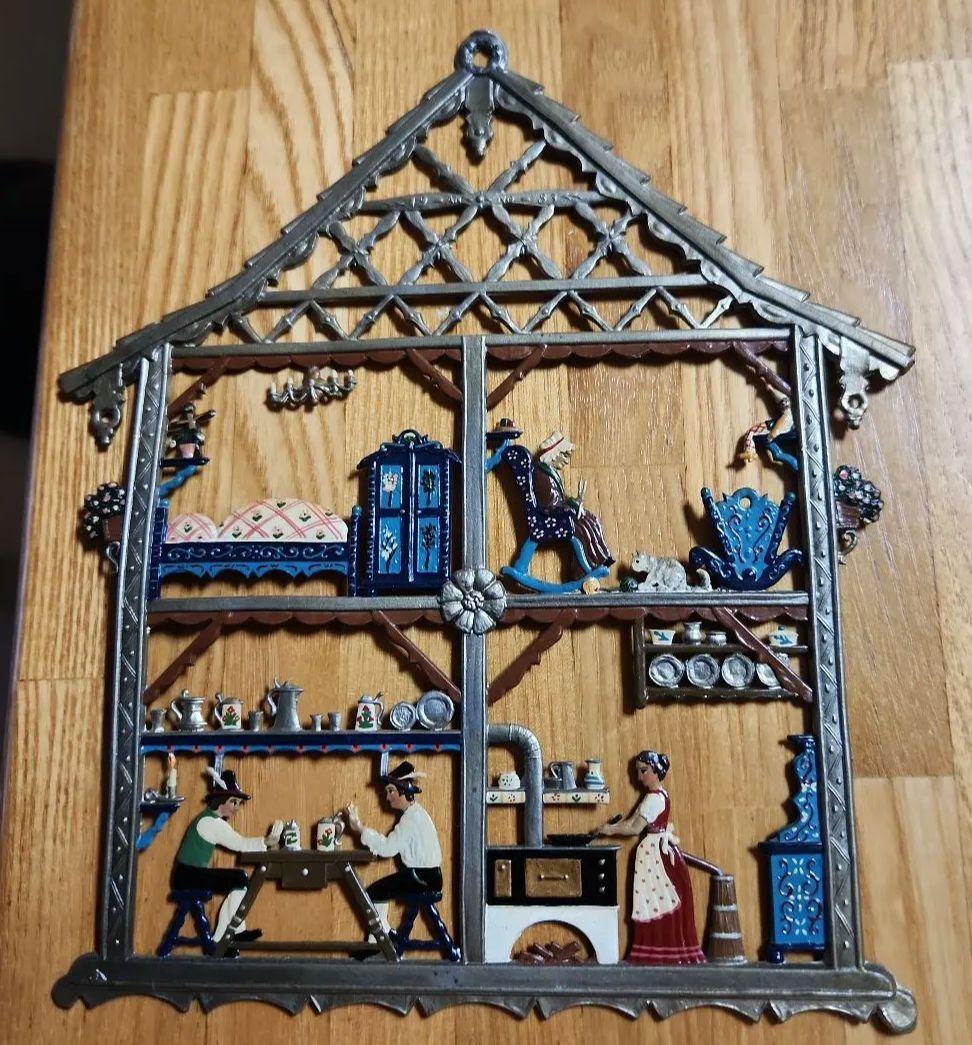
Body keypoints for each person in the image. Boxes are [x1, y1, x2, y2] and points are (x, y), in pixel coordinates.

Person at [598, 750, 705, 965]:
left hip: (657, 855)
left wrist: (610, 830)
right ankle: (656, 950)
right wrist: (613, 827)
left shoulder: (655, 799)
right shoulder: (654, 795)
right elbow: (630, 822)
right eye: (638, 772)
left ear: (656, 771)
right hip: (654, 852)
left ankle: (664, 951)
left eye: (643, 771)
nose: (639, 777)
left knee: (658, 901)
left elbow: (634, 828)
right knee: (654, 901)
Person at [171, 768, 282, 951]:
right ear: (221, 800)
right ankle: (232, 934)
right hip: (187, 875)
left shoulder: (210, 820)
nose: (237, 807)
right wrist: (265, 842)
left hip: (188, 874)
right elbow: (239, 843)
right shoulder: (211, 822)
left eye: (239, 803)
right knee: (239, 879)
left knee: (239, 880)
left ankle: (223, 938)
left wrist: (265, 843)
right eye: (233, 802)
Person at [345, 761, 442, 940]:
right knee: (377, 891)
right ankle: (385, 934)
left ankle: (379, 940)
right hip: (429, 876)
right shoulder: (417, 814)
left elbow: (388, 848)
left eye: (391, 791)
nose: (388, 797)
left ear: (404, 791)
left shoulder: (410, 820)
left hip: (421, 878)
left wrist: (360, 829)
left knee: (373, 893)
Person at [532, 431, 614, 571]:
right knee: (582, 528)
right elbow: (550, 505)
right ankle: (584, 568)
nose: (567, 461)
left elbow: (558, 499)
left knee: (592, 519)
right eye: (565, 455)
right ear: (554, 454)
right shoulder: (543, 476)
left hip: (559, 513)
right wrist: (573, 508)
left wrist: (576, 501)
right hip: (550, 518)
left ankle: (600, 559)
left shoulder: (550, 473)